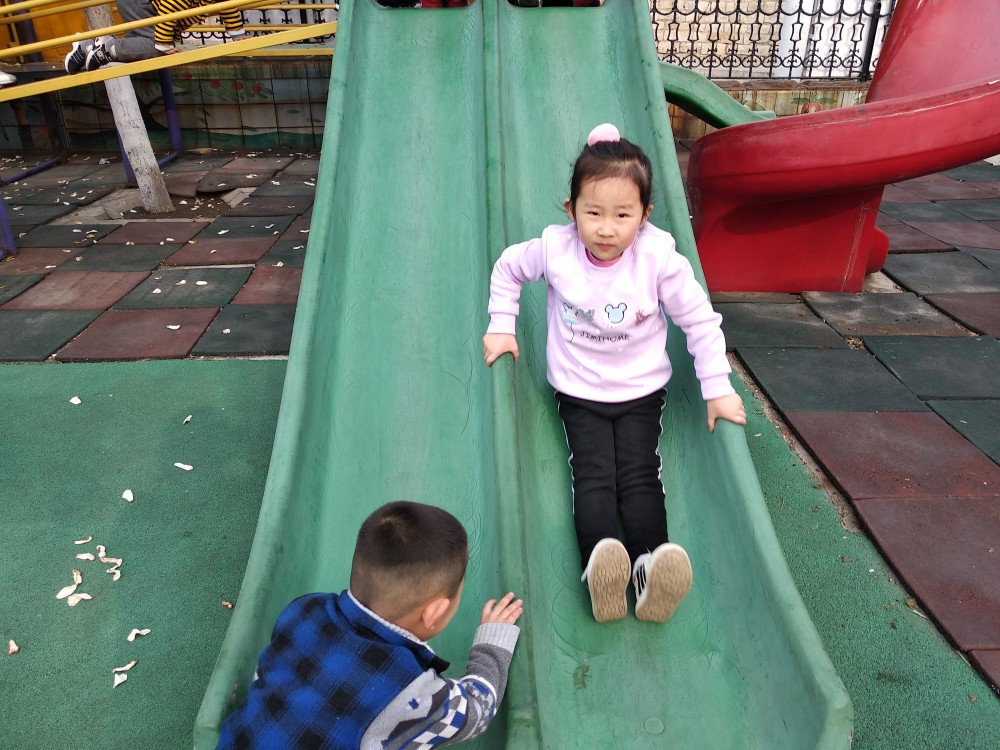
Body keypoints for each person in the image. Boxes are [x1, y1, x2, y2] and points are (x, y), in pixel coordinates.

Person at [482, 123, 746, 624]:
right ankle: (600, 564)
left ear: (645, 216)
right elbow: (509, 267)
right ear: (571, 210)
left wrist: (716, 387)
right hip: (578, 391)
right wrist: (501, 325)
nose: (607, 228)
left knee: (640, 475)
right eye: (593, 213)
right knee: (594, 475)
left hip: (641, 391)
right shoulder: (556, 249)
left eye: (623, 215)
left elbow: (699, 319)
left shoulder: (658, 258)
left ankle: (650, 565)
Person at [216, 500, 523, 749]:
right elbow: (476, 712)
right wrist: (491, 642)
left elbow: (265, 674)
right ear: (435, 612)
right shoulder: (413, 693)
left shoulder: (303, 609)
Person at [64, 0, 246, 74]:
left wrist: (238, 34)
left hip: (144, 5)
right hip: (140, 3)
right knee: (156, 48)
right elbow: (170, 8)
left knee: (139, 48)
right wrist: (164, 44)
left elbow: (228, 6)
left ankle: (86, 48)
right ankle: (107, 49)